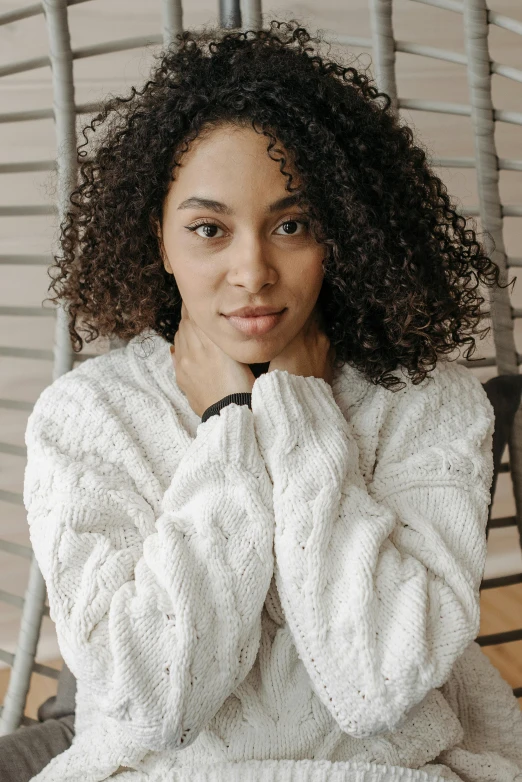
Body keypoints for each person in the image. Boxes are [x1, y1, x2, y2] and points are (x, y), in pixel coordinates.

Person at [19, 18, 522, 782]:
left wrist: (296, 414)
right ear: (159, 238)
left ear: (342, 232)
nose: (253, 270)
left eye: (291, 224)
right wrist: (228, 428)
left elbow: (386, 677)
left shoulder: (430, 403)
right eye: (209, 229)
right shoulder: (87, 416)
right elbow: (153, 699)